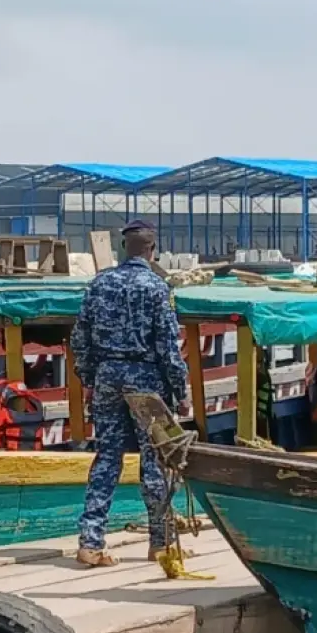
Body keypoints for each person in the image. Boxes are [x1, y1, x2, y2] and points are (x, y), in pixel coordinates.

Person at [71, 220, 188, 569]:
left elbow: (80, 336)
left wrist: (90, 376)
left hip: (107, 375)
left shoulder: (99, 283)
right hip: (145, 379)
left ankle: (91, 542)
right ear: (153, 250)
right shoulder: (156, 287)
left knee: (106, 458)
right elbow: (169, 346)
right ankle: (161, 543)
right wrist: (180, 391)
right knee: (155, 460)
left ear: (125, 247)